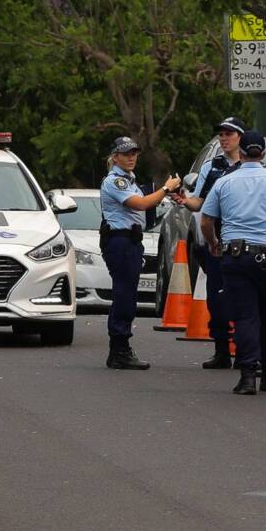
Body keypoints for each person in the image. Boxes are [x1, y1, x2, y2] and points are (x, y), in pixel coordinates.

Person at [199, 130, 266, 394]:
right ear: (263, 153)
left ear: (243, 153)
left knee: (245, 315)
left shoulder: (225, 182)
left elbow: (206, 220)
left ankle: (248, 374)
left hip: (234, 257)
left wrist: (213, 242)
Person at [101, 136, 181, 370]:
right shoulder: (116, 182)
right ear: (115, 157)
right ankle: (119, 349)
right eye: (126, 153)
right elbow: (141, 204)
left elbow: (147, 200)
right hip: (120, 241)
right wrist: (167, 188)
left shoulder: (129, 179)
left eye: (134, 153)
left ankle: (120, 348)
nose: (131, 157)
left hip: (130, 241)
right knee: (124, 296)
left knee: (127, 295)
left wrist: (165, 193)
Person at [176, 116, 245, 369]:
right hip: (216, 240)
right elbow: (200, 201)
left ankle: (244, 350)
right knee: (217, 298)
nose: (224, 138)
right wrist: (185, 201)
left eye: (230, 134)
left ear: (241, 137)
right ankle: (221, 350)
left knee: (242, 296)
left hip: (242, 239)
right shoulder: (212, 166)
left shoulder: (250, 166)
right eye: (221, 134)